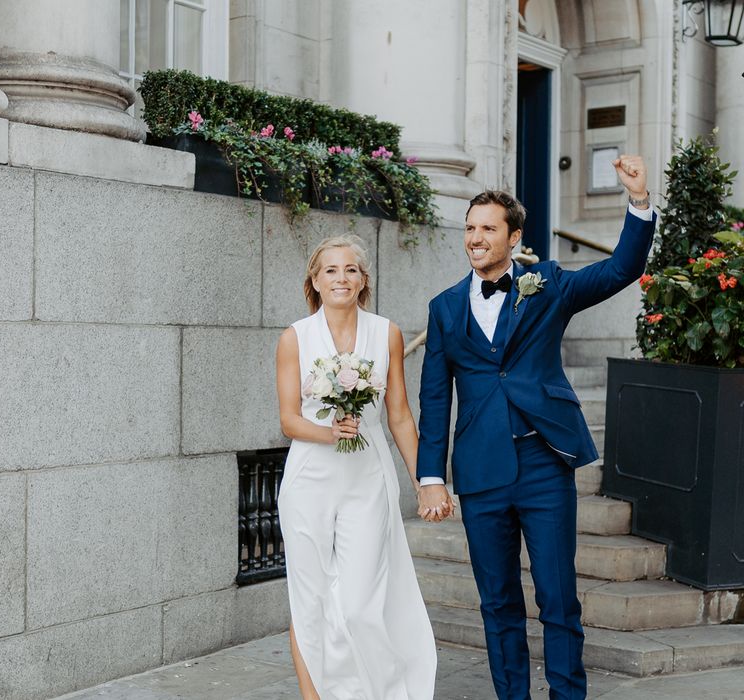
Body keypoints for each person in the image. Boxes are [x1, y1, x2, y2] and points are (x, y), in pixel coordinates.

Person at [416, 156, 656, 699]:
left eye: (487, 229)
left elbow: (620, 269)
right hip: (481, 473)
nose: (476, 238)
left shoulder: (545, 285)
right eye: (470, 229)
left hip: (543, 463)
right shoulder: (444, 308)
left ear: (513, 235)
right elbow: (435, 398)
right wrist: (431, 474)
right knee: (497, 601)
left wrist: (638, 202)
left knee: (558, 596)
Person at [276, 234, 437, 700]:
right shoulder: (295, 338)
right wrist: (329, 433)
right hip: (309, 479)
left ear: (363, 279)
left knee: (362, 604)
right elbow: (289, 419)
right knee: (308, 601)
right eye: (331, 270)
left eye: (351, 269)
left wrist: (426, 481)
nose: (341, 278)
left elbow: (400, 415)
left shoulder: (385, 333)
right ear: (315, 280)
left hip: (368, 477)